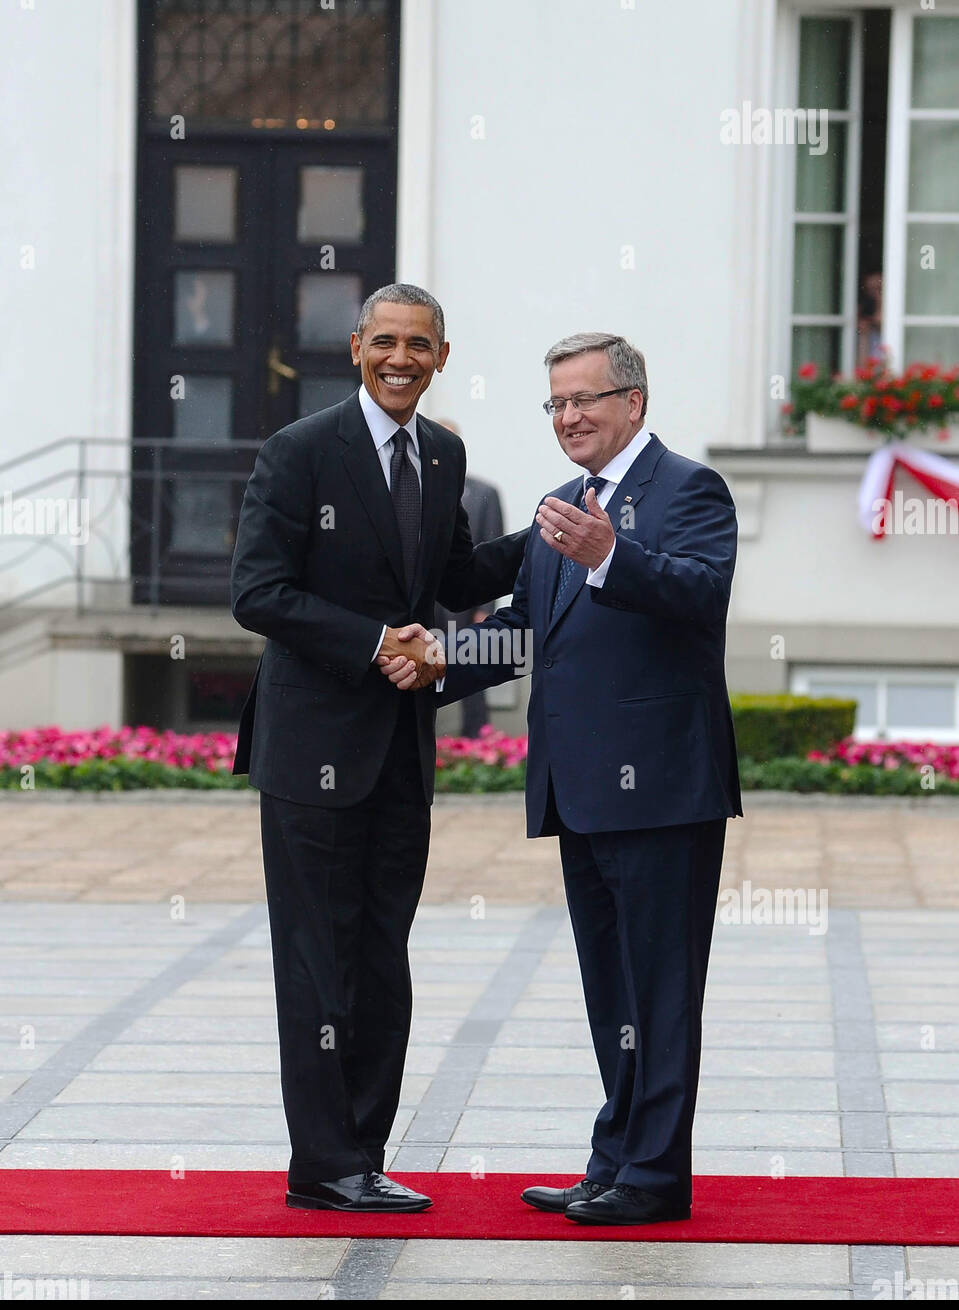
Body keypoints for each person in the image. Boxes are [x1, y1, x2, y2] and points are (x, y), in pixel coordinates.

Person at [381, 331, 742, 1225]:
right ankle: (612, 1159)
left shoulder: (689, 490)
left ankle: (654, 1180)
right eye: (555, 404)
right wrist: (436, 664)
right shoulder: (559, 504)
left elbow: (700, 592)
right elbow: (522, 627)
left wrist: (610, 557)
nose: (569, 418)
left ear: (634, 404)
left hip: (661, 790)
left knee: (658, 990)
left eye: (584, 400)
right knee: (610, 988)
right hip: (579, 788)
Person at [230, 283, 527, 1213]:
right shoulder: (299, 451)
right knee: (319, 960)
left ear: (444, 356)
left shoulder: (442, 453)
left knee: (381, 956)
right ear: (356, 347)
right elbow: (257, 593)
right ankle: (323, 1164)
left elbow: (453, 577)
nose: (401, 359)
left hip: (400, 749)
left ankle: (364, 1150)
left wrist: (550, 535)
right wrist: (374, 645)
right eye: (385, 342)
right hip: (312, 752)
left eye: (420, 346)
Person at [432, 419, 507, 738]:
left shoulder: (484, 492)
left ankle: (477, 740)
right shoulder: (409, 488)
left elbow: (493, 550)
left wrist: (485, 608)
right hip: (423, 603)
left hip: (467, 603)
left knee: (471, 671)